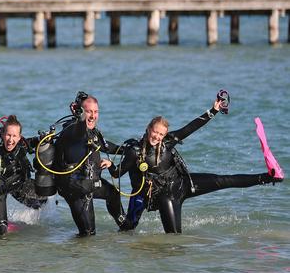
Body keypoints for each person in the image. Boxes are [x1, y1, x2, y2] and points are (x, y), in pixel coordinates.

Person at [112, 97, 284, 234]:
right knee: (172, 239)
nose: (157, 136)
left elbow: (190, 128)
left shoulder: (168, 141)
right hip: (163, 197)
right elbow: (117, 170)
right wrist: (108, 165)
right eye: (154, 131)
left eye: (160, 134)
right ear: (148, 129)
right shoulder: (135, 151)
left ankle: (267, 177)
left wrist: (214, 111)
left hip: (182, 184)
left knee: (223, 180)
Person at [52, 92, 127, 237]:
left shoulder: (93, 132)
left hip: (91, 183)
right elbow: (80, 131)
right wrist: (80, 117)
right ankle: (74, 257)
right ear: (80, 112)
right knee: (87, 234)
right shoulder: (73, 130)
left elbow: (107, 146)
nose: (93, 116)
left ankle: (125, 227)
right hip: (75, 189)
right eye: (88, 112)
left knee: (113, 194)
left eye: (95, 112)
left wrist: (128, 149)